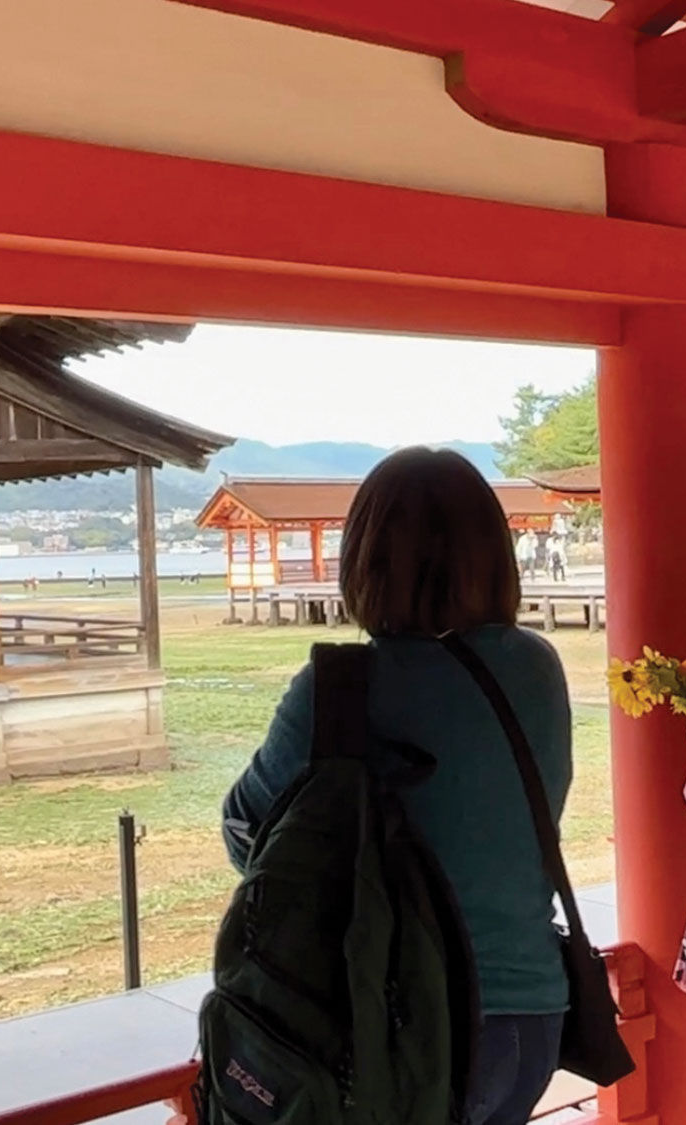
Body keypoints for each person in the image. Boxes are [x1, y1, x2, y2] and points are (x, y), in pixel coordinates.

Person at [222, 447, 572, 1125]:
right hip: (531, 1013)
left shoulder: (337, 688)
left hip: (397, 1027)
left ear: (365, 559)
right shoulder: (535, 667)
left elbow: (249, 838)